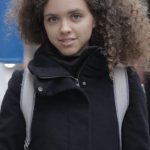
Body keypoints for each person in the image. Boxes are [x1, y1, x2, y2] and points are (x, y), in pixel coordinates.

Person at [0, 0, 150, 149]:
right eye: (53, 19)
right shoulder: (23, 86)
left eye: (76, 16)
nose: (64, 28)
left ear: (96, 18)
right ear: (42, 24)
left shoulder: (124, 83)